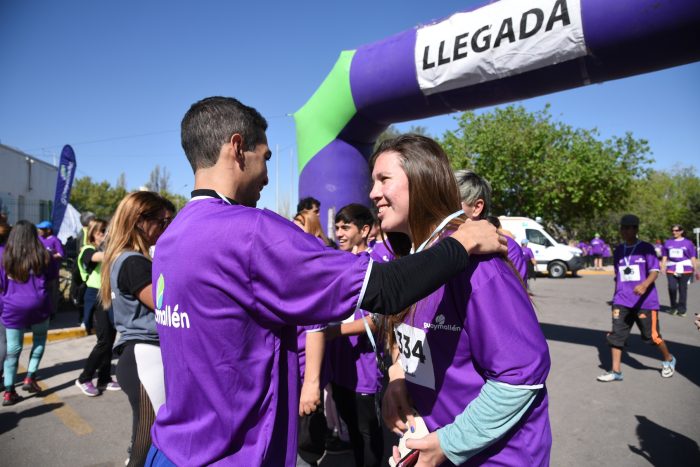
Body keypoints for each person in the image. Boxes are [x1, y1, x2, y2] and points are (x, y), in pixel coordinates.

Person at [146, 96, 506, 466]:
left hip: (170, 448)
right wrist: (462, 242)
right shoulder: (249, 232)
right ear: (238, 148)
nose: (268, 177)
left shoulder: (173, 236)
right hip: (230, 455)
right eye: (265, 158)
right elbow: (385, 289)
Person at [374, 135, 551, 466]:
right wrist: (398, 376)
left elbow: (521, 375)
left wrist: (449, 443)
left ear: (422, 181)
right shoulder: (415, 260)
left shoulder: (479, 261)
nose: (372, 193)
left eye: (384, 179)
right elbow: (417, 342)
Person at [100, 191, 173, 466]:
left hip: (140, 359)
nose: (165, 228)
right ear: (140, 221)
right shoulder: (134, 261)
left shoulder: (123, 258)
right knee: (146, 443)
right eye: (162, 221)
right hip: (146, 357)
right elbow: (166, 304)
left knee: (142, 439)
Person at [325, 203, 384, 467]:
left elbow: (378, 320)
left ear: (365, 229)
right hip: (341, 367)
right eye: (337, 227)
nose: (340, 233)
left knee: (369, 434)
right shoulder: (338, 260)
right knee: (353, 434)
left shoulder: (377, 264)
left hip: (366, 370)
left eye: (345, 227)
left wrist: (334, 332)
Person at [597, 214, 676, 382]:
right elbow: (618, 275)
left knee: (652, 337)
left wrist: (644, 285)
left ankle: (668, 359)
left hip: (645, 302)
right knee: (616, 336)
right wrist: (616, 295)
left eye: (628, 227)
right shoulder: (619, 250)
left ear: (635, 229)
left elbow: (654, 271)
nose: (624, 231)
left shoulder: (646, 248)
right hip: (621, 300)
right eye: (622, 227)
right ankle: (616, 371)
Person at [1, 220, 59, 406]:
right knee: (39, 340)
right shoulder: (44, 254)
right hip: (39, 304)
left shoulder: (3, 255)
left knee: (13, 349)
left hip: (12, 307)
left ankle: (9, 391)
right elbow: (52, 276)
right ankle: (30, 377)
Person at [75, 218, 120, 396]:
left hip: (107, 294)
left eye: (105, 231)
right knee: (103, 341)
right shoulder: (87, 250)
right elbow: (96, 257)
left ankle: (104, 378)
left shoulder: (105, 248)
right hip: (96, 295)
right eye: (101, 232)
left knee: (110, 338)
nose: (104, 234)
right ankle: (84, 377)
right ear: (93, 233)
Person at [455, 170, 526, 282]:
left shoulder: (509, 248)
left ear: (477, 207)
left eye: (451, 204)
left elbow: (514, 295)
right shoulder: (440, 244)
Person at [660, 224, 699, 317]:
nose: (674, 232)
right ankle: (673, 307)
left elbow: (692, 257)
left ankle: (682, 309)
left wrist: (696, 269)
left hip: (685, 268)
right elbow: (665, 256)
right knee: (672, 288)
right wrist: (662, 266)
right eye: (673, 230)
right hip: (671, 267)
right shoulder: (668, 242)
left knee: (682, 289)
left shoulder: (688, 243)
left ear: (681, 231)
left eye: (677, 230)